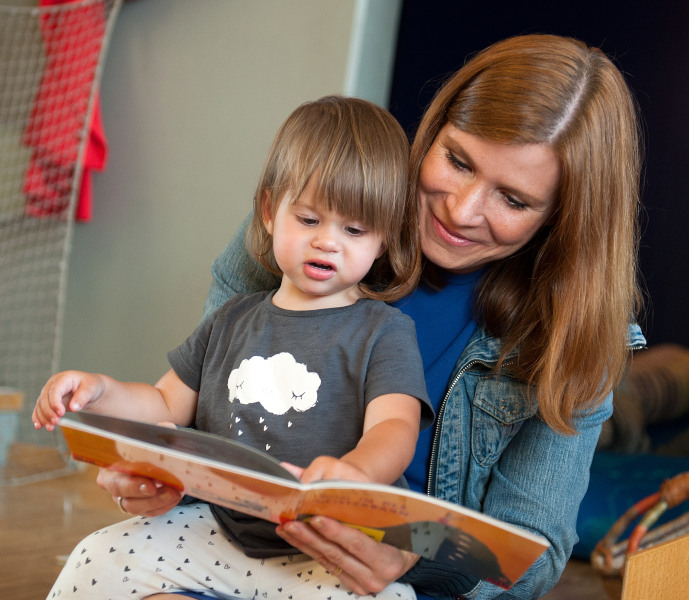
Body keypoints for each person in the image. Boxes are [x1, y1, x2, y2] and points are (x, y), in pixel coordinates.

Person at [90, 33, 647, 600]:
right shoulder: (310, 229)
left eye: (513, 200)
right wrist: (154, 474)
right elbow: (202, 414)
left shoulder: (575, 335)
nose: (461, 210)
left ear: (561, 219)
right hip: (233, 550)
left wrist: (408, 555)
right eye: (457, 161)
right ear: (434, 129)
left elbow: (531, 551)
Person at [32, 95, 433, 600]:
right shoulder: (231, 317)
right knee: (98, 557)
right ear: (269, 212)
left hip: (324, 548)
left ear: (384, 240)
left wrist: (354, 474)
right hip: (219, 532)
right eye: (309, 220)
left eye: (354, 230)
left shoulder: (384, 331)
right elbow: (162, 404)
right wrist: (98, 391)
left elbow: (395, 428)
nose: (328, 242)